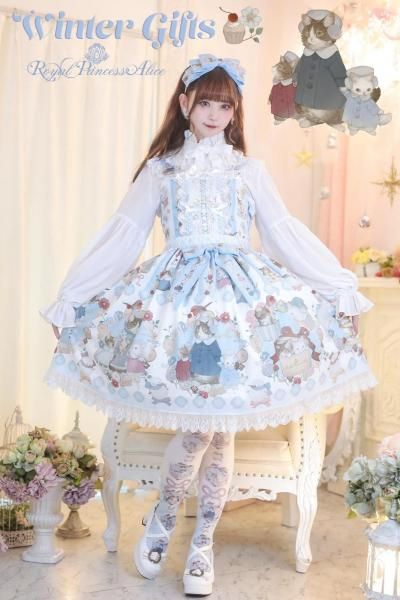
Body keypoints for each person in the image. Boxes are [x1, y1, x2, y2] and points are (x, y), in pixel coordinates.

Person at [39, 53, 377, 596]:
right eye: (206, 104)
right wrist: (74, 295)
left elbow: (283, 233)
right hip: (179, 307)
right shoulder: (162, 170)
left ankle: (198, 543)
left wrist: (337, 287)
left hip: (240, 308)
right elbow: (125, 235)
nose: (216, 114)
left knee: (219, 430)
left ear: (235, 111)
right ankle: (167, 519)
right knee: (203, 428)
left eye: (225, 105)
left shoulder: (248, 171)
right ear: (184, 104)